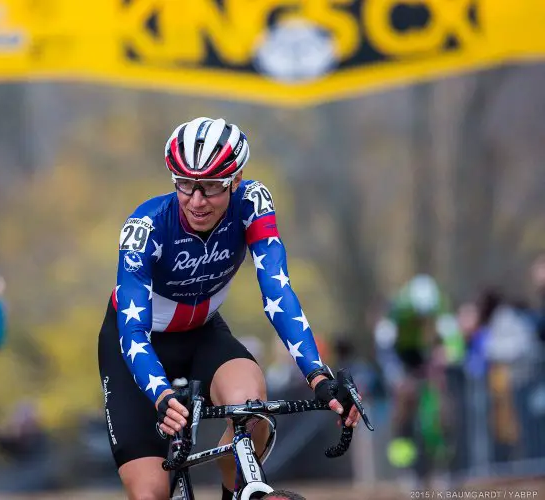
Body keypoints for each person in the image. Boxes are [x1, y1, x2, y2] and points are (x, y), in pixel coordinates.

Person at [98, 117, 362, 500]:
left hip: (203, 333)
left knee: (251, 410)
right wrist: (161, 395)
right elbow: (133, 331)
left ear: (236, 180)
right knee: (150, 492)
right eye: (185, 185)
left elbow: (278, 292)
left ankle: (237, 492)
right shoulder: (146, 226)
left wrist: (317, 375)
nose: (196, 200)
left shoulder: (252, 203)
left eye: (211, 187)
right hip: (136, 345)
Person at [373, 274, 462, 480]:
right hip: (402, 361)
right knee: (403, 411)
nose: (422, 319)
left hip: (426, 359)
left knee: (440, 412)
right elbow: (384, 349)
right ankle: (407, 469)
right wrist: (397, 377)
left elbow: (453, 339)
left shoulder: (439, 307)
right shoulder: (397, 311)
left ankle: (442, 467)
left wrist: (447, 355)